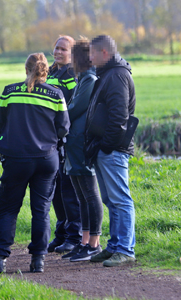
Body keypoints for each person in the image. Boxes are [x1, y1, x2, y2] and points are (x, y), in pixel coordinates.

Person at [0, 53, 70, 273]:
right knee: (41, 210)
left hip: (15, 159)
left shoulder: (9, 91)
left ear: (26, 69)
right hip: (46, 159)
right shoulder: (56, 94)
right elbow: (64, 127)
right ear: (46, 71)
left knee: (7, 209)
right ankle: (38, 260)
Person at [85, 35, 137, 267]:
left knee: (120, 199)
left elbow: (119, 118)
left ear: (104, 53)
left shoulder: (116, 76)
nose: (89, 57)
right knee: (111, 200)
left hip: (113, 149)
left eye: (92, 53)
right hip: (105, 148)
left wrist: (105, 145)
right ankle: (114, 246)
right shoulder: (108, 73)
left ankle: (125, 249)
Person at [61, 38, 103, 262]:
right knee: (81, 195)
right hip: (74, 145)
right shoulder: (83, 80)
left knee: (89, 193)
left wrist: (60, 115)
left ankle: (94, 243)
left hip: (81, 144)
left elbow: (75, 108)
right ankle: (84, 241)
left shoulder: (90, 80)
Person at [46, 35, 82, 254]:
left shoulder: (71, 74)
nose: (58, 52)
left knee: (69, 190)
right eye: (56, 48)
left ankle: (74, 236)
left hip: (66, 138)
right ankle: (61, 234)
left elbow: (72, 105)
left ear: (72, 54)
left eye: (63, 49)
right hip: (50, 139)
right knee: (56, 190)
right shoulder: (51, 72)